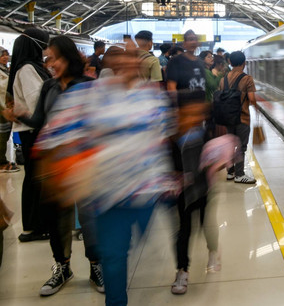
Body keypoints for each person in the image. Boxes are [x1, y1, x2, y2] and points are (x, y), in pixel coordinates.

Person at [34, 48, 175, 306]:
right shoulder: (88, 96)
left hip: (146, 194)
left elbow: (159, 140)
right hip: (108, 196)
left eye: (134, 59)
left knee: (142, 254)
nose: (130, 64)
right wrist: (59, 176)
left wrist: (167, 179)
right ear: (109, 65)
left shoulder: (152, 98)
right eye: (122, 59)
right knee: (114, 257)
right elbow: (52, 138)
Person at [6, 36, 101, 296]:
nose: (51, 63)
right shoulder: (49, 87)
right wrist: (19, 114)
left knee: (90, 220)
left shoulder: (90, 87)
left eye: (56, 58)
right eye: (48, 58)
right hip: (56, 166)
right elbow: (39, 120)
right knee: (57, 221)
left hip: (84, 164)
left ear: (69, 57)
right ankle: (63, 267)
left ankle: (96, 266)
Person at [170, 90, 225, 295]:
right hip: (182, 194)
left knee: (207, 225)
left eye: (198, 113)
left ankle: (213, 251)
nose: (194, 118)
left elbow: (214, 161)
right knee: (183, 232)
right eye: (189, 114)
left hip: (204, 190)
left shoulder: (205, 133)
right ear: (180, 113)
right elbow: (170, 166)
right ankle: (182, 270)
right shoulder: (173, 138)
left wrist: (217, 162)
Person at [7, 28, 51, 242]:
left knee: (35, 179)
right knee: (35, 180)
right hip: (33, 132)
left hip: (32, 131)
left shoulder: (27, 68)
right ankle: (34, 226)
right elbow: (36, 103)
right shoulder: (27, 69)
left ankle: (37, 224)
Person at [219, 51, 257, 184]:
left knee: (230, 144)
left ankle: (230, 172)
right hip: (242, 118)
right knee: (241, 146)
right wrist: (256, 107)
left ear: (230, 62)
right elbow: (251, 99)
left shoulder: (223, 79)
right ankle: (240, 174)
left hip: (228, 118)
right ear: (244, 63)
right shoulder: (247, 79)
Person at [0, 47, 17, 173]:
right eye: (2, 55)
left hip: (6, 106)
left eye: (6, 55)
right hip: (1, 107)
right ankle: (1, 163)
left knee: (5, 135)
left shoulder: (5, 70)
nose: (5, 57)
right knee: (1, 136)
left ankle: (3, 160)